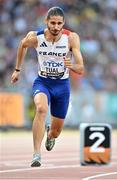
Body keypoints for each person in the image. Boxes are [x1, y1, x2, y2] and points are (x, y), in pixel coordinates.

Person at [11, 6, 84, 167]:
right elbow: (22, 45)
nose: (56, 27)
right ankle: (36, 154)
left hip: (62, 85)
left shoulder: (71, 38)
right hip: (43, 81)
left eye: (59, 23)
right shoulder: (35, 37)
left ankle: (50, 135)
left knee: (56, 132)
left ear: (63, 23)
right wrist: (17, 70)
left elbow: (81, 68)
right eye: (53, 23)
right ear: (46, 22)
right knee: (41, 109)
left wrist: (70, 65)